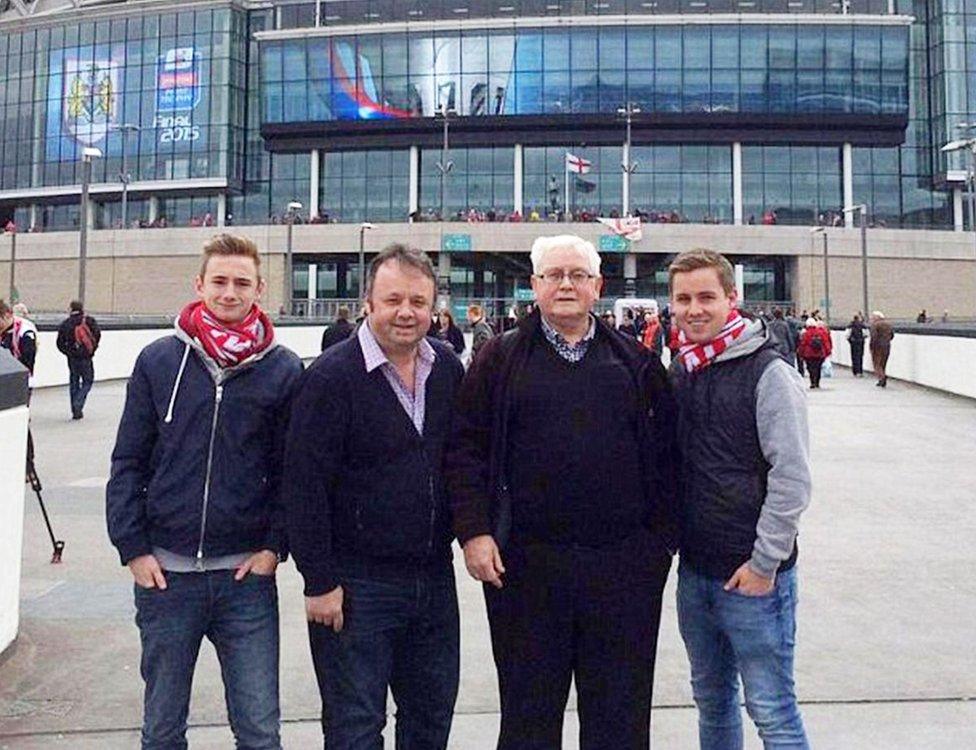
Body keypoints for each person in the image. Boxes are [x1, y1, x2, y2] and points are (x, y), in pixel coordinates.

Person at [445, 235, 676, 750]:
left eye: (577, 275)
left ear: (598, 286)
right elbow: (465, 451)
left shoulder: (636, 363)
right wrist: (475, 534)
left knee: (619, 718)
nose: (566, 284)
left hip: (622, 572)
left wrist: (658, 546)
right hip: (524, 570)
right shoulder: (498, 359)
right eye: (554, 275)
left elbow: (668, 457)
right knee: (529, 717)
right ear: (534, 287)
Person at [105, 233, 303, 750]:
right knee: (163, 729)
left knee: (260, 731)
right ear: (200, 284)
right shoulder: (159, 361)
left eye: (242, 283)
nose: (229, 292)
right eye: (219, 280)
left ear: (259, 289)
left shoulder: (282, 369)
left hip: (245, 582)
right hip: (167, 580)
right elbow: (128, 460)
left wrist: (272, 547)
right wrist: (133, 549)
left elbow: (290, 473)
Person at [284, 244, 464, 749]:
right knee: (355, 727)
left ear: (433, 306)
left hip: (431, 578)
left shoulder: (447, 369)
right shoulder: (330, 378)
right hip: (356, 584)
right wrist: (318, 580)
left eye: (418, 301)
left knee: (429, 720)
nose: (406, 312)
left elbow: (461, 462)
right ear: (369, 302)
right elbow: (303, 485)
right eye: (393, 300)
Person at [668, 249, 811, 750]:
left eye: (707, 297)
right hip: (697, 574)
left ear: (733, 298)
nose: (694, 309)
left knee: (771, 710)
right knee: (712, 701)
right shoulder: (684, 368)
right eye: (683, 299)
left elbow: (791, 479)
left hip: (755, 580)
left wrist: (764, 562)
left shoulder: (769, 372)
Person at [56, 300, 101, 419]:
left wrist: (68, 352)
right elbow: (97, 335)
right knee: (88, 381)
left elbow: (59, 343)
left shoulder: (65, 323)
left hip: (72, 358)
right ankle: (79, 402)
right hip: (86, 357)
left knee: (74, 381)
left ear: (71, 309)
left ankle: (75, 410)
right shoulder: (89, 321)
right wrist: (91, 350)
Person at [0, 299, 38, 388]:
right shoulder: (4, 331)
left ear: (7, 315)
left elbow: (28, 359)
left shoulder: (25, 332)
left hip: (19, 381)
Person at [797, 317, 832, 389]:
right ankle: (817, 382)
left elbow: (803, 344)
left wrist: (800, 353)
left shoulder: (806, 333)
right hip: (819, 353)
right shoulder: (820, 332)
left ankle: (812, 382)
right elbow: (825, 342)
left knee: (810, 368)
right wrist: (828, 352)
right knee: (818, 368)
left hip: (808, 354)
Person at [869, 311, 894, 387]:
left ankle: (882, 377)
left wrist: (871, 346)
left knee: (877, 363)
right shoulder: (888, 324)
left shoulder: (875, 325)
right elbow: (892, 335)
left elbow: (874, 336)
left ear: (877, 317)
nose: (872, 319)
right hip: (887, 345)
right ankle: (882, 377)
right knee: (883, 363)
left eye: (873, 317)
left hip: (877, 346)